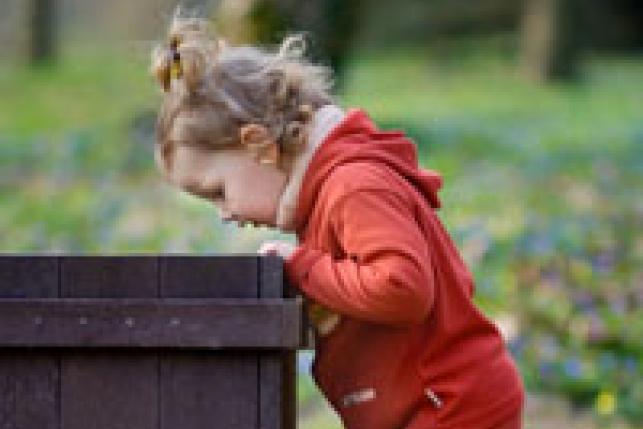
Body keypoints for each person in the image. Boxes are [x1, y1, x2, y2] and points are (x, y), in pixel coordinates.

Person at [150, 10, 525, 429]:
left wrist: (303, 268)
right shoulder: (324, 196)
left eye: (218, 191)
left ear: (258, 144)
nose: (226, 213)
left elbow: (402, 287)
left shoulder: (354, 186)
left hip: (448, 405)